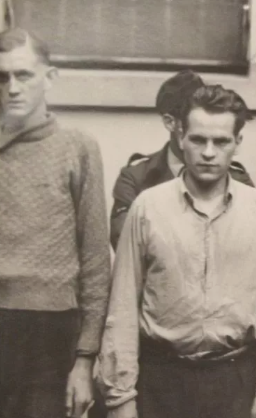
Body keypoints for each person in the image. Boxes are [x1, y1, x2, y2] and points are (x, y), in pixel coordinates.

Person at [98, 85, 256, 418]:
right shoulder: (148, 207)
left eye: (221, 142)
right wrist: (121, 397)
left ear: (238, 142)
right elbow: (123, 306)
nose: (208, 152)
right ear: (180, 136)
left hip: (236, 382)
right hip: (162, 382)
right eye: (198, 140)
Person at [0, 28, 111, 418]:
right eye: (2, 77)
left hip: (51, 334)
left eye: (24, 75)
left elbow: (96, 260)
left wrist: (85, 358)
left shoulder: (77, 147)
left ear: (49, 78)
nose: (12, 88)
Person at [108, 69, 254, 250]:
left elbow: (248, 242)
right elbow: (126, 242)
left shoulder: (236, 177)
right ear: (170, 122)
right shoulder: (136, 177)